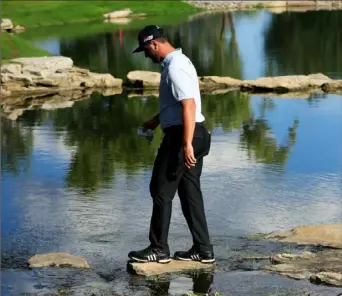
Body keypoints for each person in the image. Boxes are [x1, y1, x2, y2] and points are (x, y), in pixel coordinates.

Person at [128, 25, 215, 264]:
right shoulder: (178, 61)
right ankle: (203, 250)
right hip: (196, 133)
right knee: (189, 193)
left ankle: (158, 249)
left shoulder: (175, 66)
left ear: (155, 43)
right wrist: (156, 120)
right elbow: (178, 104)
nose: (146, 55)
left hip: (183, 136)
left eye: (146, 50)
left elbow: (188, 104)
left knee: (160, 190)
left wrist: (185, 144)